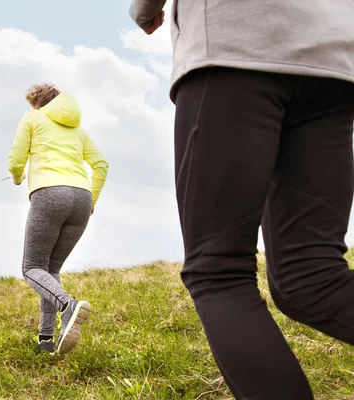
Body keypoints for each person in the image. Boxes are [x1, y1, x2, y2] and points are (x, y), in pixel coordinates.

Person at [129, 0, 354, 398]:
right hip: (333, 62)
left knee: (219, 271)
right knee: (311, 275)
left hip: (236, 44)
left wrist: (143, 9)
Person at [7, 83, 109, 355]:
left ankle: (69, 306)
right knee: (49, 271)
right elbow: (101, 164)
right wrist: (93, 200)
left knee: (31, 268)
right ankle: (46, 339)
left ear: (38, 104)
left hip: (50, 193)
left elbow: (17, 159)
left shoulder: (33, 118)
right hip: (81, 198)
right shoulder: (78, 130)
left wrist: (18, 178)